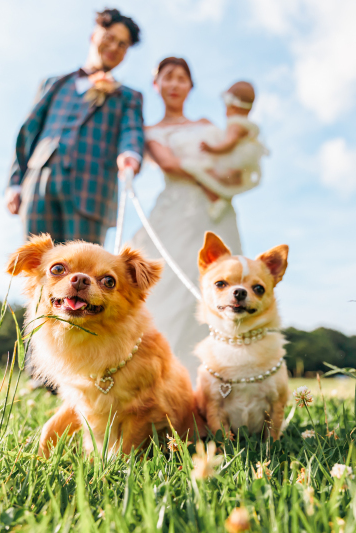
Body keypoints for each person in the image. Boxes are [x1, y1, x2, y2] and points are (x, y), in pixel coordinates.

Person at [129, 57, 246, 382]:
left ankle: (221, 378)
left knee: (222, 284)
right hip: (176, 213)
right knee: (169, 285)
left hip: (216, 214)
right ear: (157, 85)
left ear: (190, 86)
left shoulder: (209, 125)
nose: (175, 84)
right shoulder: (149, 132)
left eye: (182, 78)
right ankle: (164, 376)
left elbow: (233, 165)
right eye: (168, 77)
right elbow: (169, 164)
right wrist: (212, 178)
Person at [5, 8, 144, 245]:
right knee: (36, 268)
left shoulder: (128, 96)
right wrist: (15, 183)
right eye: (110, 38)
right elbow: (28, 132)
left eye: (122, 45)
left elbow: (131, 130)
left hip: (91, 191)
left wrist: (130, 155)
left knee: (85, 271)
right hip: (37, 184)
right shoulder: (53, 83)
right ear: (94, 35)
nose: (114, 48)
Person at [180, 81, 267, 221]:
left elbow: (229, 143)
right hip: (243, 162)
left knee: (203, 175)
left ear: (233, 107)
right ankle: (221, 198)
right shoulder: (246, 125)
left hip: (232, 160)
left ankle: (218, 200)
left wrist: (212, 149)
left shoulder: (235, 125)